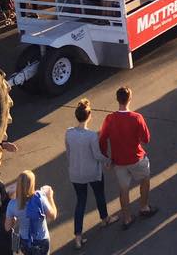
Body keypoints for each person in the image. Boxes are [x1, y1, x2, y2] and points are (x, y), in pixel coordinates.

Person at [98, 86, 156, 228]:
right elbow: (146, 139)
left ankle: (127, 218)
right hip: (137, 159)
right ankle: (144, 207)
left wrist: (107, 157)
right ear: (130, 99)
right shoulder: (137, 118)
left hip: (119, 162)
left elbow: (102, 139)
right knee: (145, 180)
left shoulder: (110, 119)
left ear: (117, 99)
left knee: (123, 190)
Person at [66, 98, 118, 249]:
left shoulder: (69, 133)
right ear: (89, 116)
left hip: (76, 174)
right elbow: (97, 155)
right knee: (99, 194)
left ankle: (78, 236)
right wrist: (108, 160)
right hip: (92, 172)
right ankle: (104, 218)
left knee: (80, 202)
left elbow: (69, 153)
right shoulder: (91, 136)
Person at [5, 171, 57, 255]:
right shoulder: (40, 198)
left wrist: (14, 218)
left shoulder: (12, 204)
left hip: (25, 241)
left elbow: (7, 227)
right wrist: (50, 197)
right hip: (42, 239)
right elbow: (53, 215)